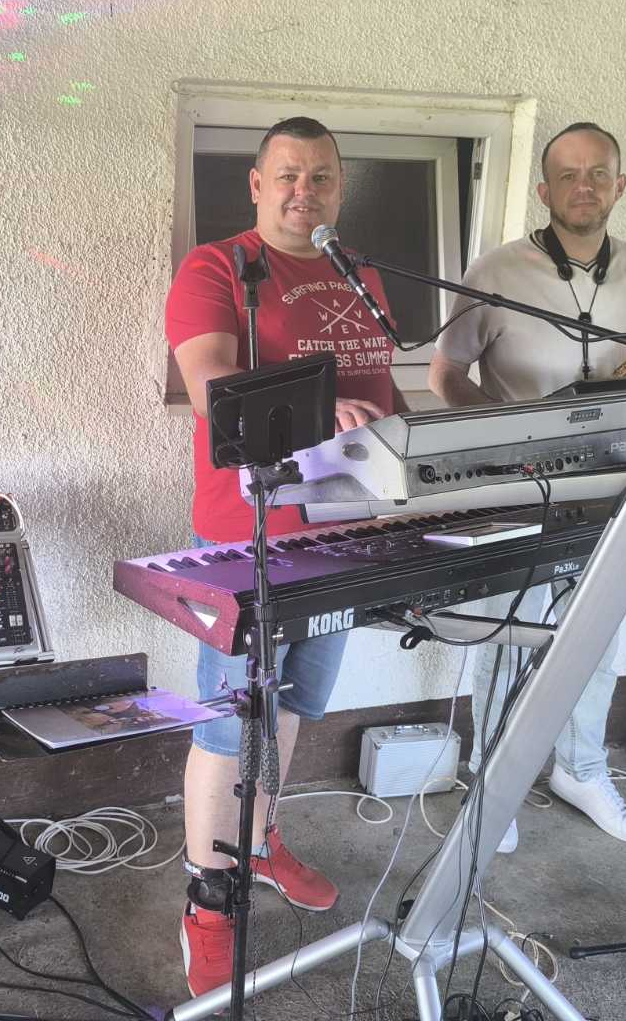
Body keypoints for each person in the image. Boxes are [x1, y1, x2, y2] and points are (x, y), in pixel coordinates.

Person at [164, 115, 405, 996]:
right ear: (258, 185)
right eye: (289, 176)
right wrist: (315, 417)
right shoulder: (216, 269)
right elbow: (210, 391)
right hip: (248, 538)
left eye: (322, 177)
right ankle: (208, 900)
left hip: (342, 532)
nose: (306, 192)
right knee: (230, 719)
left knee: (296, 700)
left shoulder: (361, 273)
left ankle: (258, 841)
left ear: (340, 186)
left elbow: (380, 392)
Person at [429, 120, 626, 851]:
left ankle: (581, 768)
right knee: (507, 635)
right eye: (568, 174)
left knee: (598, 633)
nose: (583, 186)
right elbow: (444, 374)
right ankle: (490, 781)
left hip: (612, 479)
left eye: (597, 173)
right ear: (544, 190)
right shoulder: (495, 271)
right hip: (520, 486)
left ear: (619, 186)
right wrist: (503, 440)